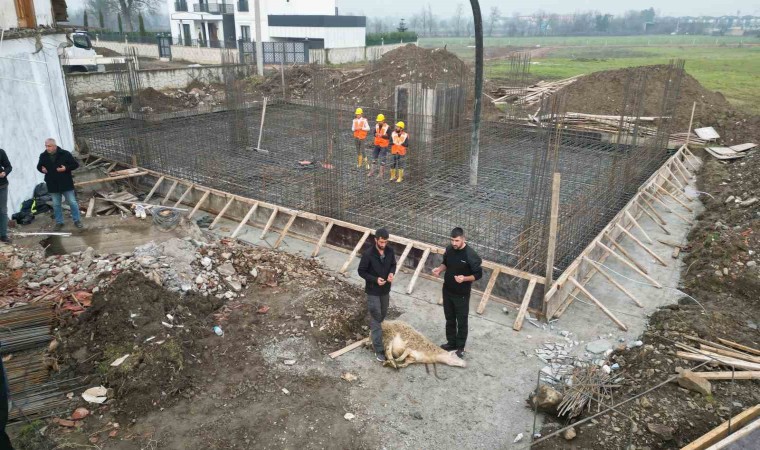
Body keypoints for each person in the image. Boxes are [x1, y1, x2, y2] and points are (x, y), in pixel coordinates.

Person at [431, 227, 482, 358]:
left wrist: (464, 278)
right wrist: (439, 269)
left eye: (457, 240)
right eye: (452, 240)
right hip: (447, 290)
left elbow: (478, 274)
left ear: (463, 239)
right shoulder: (449, 249)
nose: (454, 243)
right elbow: (446, 263)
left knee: (462, 321)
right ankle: (451, 343)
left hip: (462, 295)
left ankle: (460, 347)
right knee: (450, 318)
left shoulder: (471, 255)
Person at [357, 228, 397, 362]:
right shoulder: (368, 254)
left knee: (382, 314)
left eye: (385, 242)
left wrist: (391, 273)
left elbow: (393, 265)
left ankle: (375, 335)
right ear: (376, 240)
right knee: (376, 317)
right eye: (381, 242)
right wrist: (375, 279)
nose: (383, 244)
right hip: (373, 290)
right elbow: (361, 271)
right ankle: (379, 350)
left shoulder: (390, 251)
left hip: (385, 289)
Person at [36, 138, 83, 231]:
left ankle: (77, 220)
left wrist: (65, 168)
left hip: (65, 182)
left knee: (72, 202)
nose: (47, 148)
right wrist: (42, 169)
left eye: (49, 146)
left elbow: (75, 165)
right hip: (52, 183)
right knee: (56, 204)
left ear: (54, 146)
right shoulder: (43, 156)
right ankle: (59, 222)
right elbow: (39, 166)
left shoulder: (65, 154)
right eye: (46, 146)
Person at [368, 114, 391, 179]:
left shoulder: (387, 127)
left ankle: (381, 174)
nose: (378, 122)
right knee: (374, 158)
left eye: (380, 121)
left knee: (382, 159)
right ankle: (371, 172)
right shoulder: (377, 126)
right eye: (378, 121)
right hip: (377, 144)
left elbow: (389, 136)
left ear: (383, 120)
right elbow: (374, 133)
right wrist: (376, 134)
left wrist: (382, 135)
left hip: (383, 145)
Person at [0, 148, 12, 243]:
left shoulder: (1, 152)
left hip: (2, 186)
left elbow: (8, 166)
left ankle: (3, 235)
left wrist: (5, 172)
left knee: (3, 210)